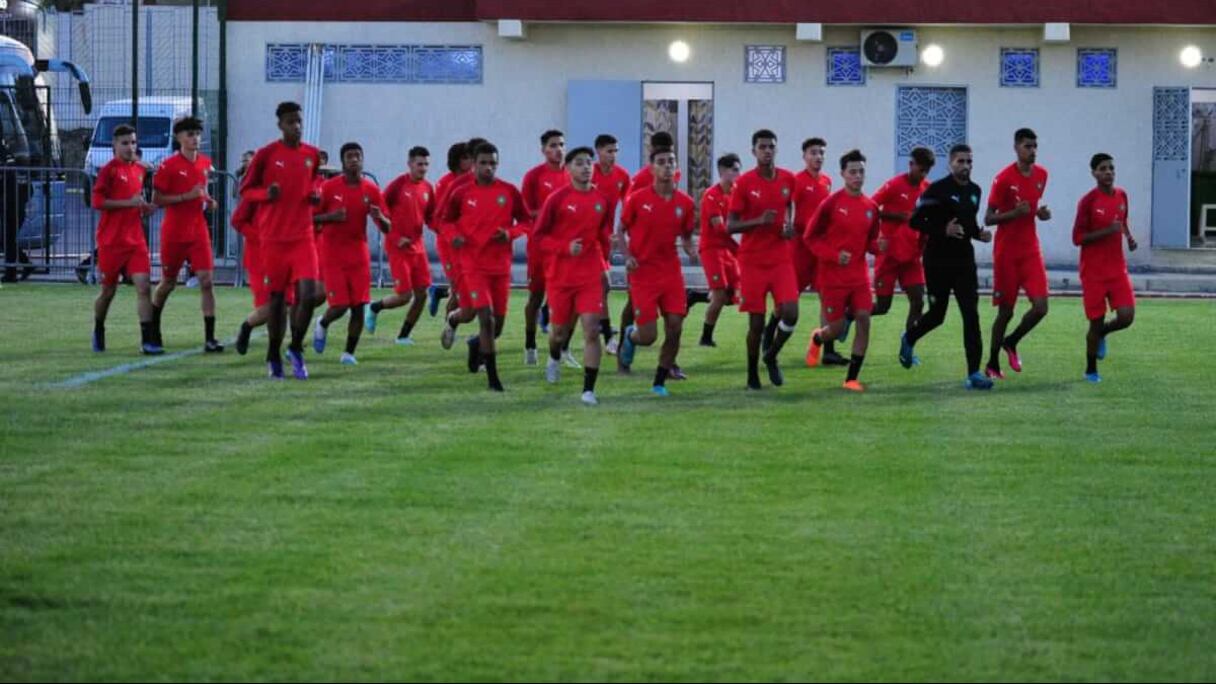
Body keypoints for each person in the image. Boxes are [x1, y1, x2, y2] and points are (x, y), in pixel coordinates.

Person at [897, 144, 994, 390]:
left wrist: (978, 234)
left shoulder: (975, 191)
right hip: (937, 261)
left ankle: (974, 373)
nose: (965, 166)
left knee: (971, 315)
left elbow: (968, 223)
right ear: (950, 164)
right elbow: (916, 221)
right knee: (937, 315)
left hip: (964, 262)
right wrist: (943, 230)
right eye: (961, 161)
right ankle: (909, 338)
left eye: (969, 162)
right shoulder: (937, 190)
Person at [238, 101, 323, 380]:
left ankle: (296, 348)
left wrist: (315, 193)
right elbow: (246, 190)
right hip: (274, 239)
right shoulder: (266, 155)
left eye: (298, 121)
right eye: (290, 122)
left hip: (303, 237)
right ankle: (273, 354)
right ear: (280, 125)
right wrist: (266, 194)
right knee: (277, 301)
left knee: (309, 295)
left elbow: (314, 181)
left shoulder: (311, 154)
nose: (296, 126)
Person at [440, 142, 530, 390]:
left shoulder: (509, 191)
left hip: (500, 266)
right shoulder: (460, 191)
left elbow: (525, 221)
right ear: (474, 165)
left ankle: (461, 327)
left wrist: (510, 234)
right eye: (483, 163)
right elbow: (444, 220)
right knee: (486, 318)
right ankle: (493, 379)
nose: (488, 168)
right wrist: (453, 236)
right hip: (472, 264)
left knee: (496, 325)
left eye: (493, 163)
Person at [531, 146, 613, 405]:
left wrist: (604, 265)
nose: (586, 167)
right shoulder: (556, 199)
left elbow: (603, 235)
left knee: (591, 330)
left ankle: (588, 390)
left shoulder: (601, 200)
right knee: (559, 333)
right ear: (568, 169)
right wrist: (564, 247)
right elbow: (539, 237)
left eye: (589, 162)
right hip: (561, 276)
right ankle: (554, 356)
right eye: (579, 163)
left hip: (589, 274)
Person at [616, 147, 696, 396]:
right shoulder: (638, 199)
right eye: (661, 162)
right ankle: (630, 335)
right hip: (643, 272)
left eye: (671, 161)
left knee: (675, 325)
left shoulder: (686, 202)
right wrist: (627, 256)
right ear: (651, 168)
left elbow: (685, 233)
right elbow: (620, 230)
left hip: (671, 271)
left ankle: (659, 381)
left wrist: (689, 246)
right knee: (648, 335)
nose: (667, 166)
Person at [726, 129, 798, 390]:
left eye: (771, 147)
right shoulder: (744, 183)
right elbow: (730, 226)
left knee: (791, 312)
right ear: (753, 151)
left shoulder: (788, 179)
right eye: (762, 146)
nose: (767, 150)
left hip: (780, 258)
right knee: (756, 323)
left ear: (776, 150)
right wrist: (759, 221)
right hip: (752, 260)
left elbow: (789, 203)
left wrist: (788, 225)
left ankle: (771, 355)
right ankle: (752, 373)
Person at [804, 149, 880, 391]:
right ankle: (818, 337)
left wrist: (880, 247)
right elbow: (810, 237)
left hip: (858, 277)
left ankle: (851, 379)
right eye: (853, 172)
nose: (857, 176)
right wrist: (835, 255)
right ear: (843, 174)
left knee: (864, 318)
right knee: (835, 331)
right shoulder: (831, 204)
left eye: (861, 172)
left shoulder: (871, 207)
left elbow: (870, 242)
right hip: (832, 277)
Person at [311, 142, 389, 365]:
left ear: (362, 160)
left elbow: (388, 227)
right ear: (343, 162)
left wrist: (380, 218)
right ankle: (323, 322)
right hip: (332, 253)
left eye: (357, 156)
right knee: (340, 305)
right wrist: (331, 218)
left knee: (358, 306)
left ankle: (348, 353)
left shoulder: (371, 190)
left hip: (358, 254)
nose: (354, 160)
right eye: (349, 156)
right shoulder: (329, 188)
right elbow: (309, 218)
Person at [150, 116, 222, 352]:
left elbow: (201, 191)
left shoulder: (204, 163)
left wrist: (208, 200)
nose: (195, 138)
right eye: (189, 134)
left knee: (207, 281)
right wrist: (185, 197)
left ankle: (210, 338)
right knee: (168, 283)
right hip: (174, 231)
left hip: (198, 230)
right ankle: (152, 329)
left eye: (197, 134)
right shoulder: (168, 166)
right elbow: (157, 199)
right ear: (179, 138)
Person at [985, 127, 1052, 378]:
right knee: (1006, 311)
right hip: (1006, 254)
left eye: (1035, 146)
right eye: (1027, 146)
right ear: (1016, 147)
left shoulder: (1042, 175)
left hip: (1030, 250)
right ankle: (992, 362)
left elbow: (1031, 207)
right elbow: (989, 218)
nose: (1032, 151)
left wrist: (1039, 214)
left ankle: (1011, 341)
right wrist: (1014, 213)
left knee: (1041, 307)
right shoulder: (1003, 179)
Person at [90, 123, 159, 355]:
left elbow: (135, 202)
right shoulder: (108, 170)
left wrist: (144, 208)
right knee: (108, 291)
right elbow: (98, 202)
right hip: (111, 242)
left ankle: (147, 340)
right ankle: (99, 328)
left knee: (143, 287)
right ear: (115, 145)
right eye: (125, 143)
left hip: (135, 240)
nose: (130, 147)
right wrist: (127, 203)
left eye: (133, 142)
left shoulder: (139, 169)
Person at [1072, 153, 1137, 383]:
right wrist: (1107, 231)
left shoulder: (1122, 195)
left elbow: (1122, 222)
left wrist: (1128, 237)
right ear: (1094, 173)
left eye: (1111, 168)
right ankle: (1091, 370)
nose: (1108, 172)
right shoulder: (1088, 201)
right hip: (1093, 272)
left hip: (1117, 269)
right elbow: (1077, 238)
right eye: (1102, 169)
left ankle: (1102, 334)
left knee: (1127, 317)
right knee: (1095, 322)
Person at [366, 146, 435, 345]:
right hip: (398, 249)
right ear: (410, 164)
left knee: (422, 294)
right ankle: (374, 307)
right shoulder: (397, 186)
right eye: (419, 164)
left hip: (418, 248)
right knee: (405, 295)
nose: (423, 168)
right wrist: (396, 237)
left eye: (426, 164)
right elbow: (378, 214)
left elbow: (431, 217)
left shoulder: (428, 188)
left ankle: (403, 335)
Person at [521, 129, 572, 366]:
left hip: (563, 248)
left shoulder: (572, 175)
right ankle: (530, 343)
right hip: (540, 248)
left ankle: (561, 348)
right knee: (535, 296)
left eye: (561, 144)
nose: (558, 149)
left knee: (562, 299)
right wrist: (548, 213)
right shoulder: (534, 176)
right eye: (553, 145)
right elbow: (525, 212)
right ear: (543, 150)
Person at [871, 147, 934, 333]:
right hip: (889, 254)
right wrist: (897, 216)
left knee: (918, 301)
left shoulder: (927, 189)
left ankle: (908, 343)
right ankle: (850, 315)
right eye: (920, 169)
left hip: (911, 256)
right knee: (883, 307)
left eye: (926, 171)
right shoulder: (894, 185)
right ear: (910, 164)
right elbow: (871, 208)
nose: (922, 174)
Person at [697, 153, 741, 348]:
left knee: (734, 295)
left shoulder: (735, 193)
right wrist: (741, 244)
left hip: (728, 249)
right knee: (721, 296)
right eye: (735, 170)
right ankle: (705, 337)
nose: (738, 174)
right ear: (723, 171)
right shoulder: (711, 195)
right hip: (712, 249)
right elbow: (720, 228)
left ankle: (696, 296)